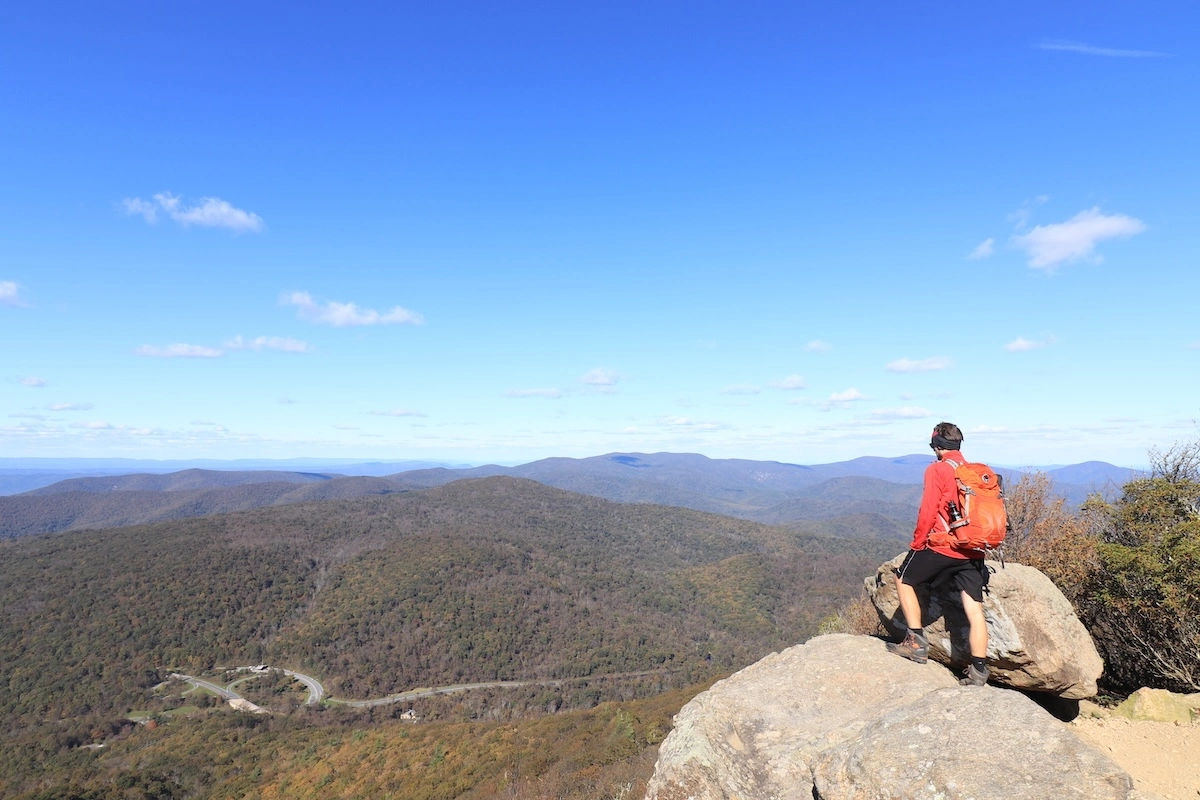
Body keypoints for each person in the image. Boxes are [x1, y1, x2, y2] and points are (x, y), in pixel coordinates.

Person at [886, 422, 990, 686]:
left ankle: (916, 643)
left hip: (945, 546)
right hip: (974, 550)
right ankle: (979, 671)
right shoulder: (976, 472)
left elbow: (928, 509)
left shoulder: (937, 469)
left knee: (903, 578)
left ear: (936, 446)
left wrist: (917, 543)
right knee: (974, 608)